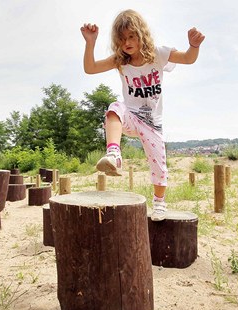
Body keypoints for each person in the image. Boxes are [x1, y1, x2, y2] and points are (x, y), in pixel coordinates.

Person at [80, 9, 205, 221]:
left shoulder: (158, 54)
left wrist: (194, 46)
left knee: (159, 165)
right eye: (121, 39)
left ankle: (159, 202)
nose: (126, 42)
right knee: (114, 108)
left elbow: (188, 58)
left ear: (141, 35)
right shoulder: (121, 61)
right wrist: (90, 42)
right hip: (131, 116)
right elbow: (90, 68)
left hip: (153, 124)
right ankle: (114, 154)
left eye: (131, 36)